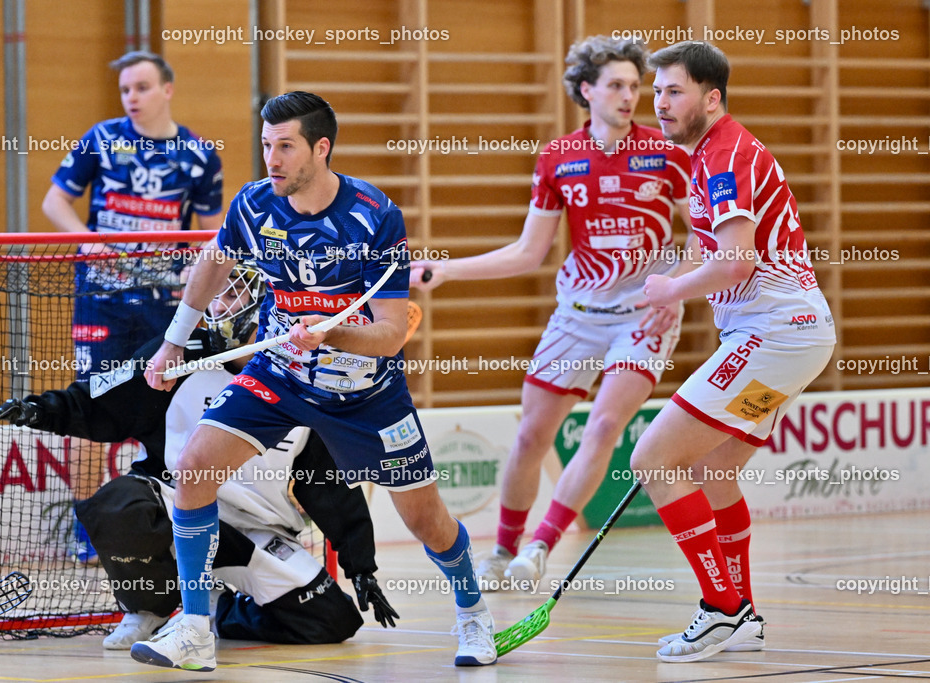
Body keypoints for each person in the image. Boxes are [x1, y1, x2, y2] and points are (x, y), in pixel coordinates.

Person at [138, 91, 496, 672]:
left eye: (285, 146)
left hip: (365, 395)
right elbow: (213, 263)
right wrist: (173, 340)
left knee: (426, 521)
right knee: (195, 470)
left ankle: (473, 612)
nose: (271, 159)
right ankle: (197, 630)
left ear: (320, 148)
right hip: (279, 374)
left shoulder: (374, 216)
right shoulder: (254, 205)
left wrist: (331, 335)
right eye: (265, 145)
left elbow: (390, 335)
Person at [0, 263, 398, 649]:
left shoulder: (308, 378)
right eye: (214, 295)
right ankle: (149, 610)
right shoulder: (176, 357)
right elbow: (100, 401)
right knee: (119, 504)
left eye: (231, 295)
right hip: (175, 507)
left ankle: (217, 610)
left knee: (333, 621)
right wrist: (39, 410)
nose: (218, 307)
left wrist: (361, 565)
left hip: (253, 531)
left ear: (267, 300)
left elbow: (327, 483)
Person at [412, 35, 695, 589]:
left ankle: (541, 546)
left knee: (606, 424)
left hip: (645, 313)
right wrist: (446, 270)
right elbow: (528, 252)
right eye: (616, 85)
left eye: (635, 86)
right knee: (531, 436)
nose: (629, 96)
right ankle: (502, 551)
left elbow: (706, 237)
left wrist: (676, 290)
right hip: (578, 313)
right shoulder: (558, 158)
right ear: (586, 90)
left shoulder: (668, 153)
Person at [629, 40, 836, 663]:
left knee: (653, 458)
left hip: (773, 334)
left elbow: (736, 261)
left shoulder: (724, 157)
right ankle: (740, 616)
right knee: (714, 470)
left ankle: (721, 610)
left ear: (711, 98)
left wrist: (672, 289)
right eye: (657, 91)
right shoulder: (712, 153)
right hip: (795, 335)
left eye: (675, 91)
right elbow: (715, 251)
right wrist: (676, 286)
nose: (660, 103)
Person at [41, 51, 225, 562]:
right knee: (90, 403)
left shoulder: (199, 155)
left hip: (166, 308)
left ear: (167, 89)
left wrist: (194, 270)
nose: (131, 98)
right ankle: (86, 527)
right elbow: (54, 202)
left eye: (141, 87)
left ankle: (165, 519)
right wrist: (89, 241)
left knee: (163, 408)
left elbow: (212, 232)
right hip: (101, 301)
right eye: (125, 90)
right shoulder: (101, 139)